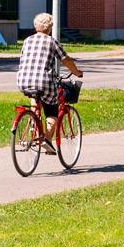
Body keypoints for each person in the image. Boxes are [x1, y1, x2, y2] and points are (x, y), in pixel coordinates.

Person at [16, 13, 83, 154]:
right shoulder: (51, 41)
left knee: (35, 96)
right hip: (43, 81)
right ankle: (47, 139)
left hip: (23, 79)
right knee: (52, 111)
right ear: (50, 27)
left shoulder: (27, 40)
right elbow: (65, 59)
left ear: (36, 26)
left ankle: (34, 122)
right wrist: (77, 72)